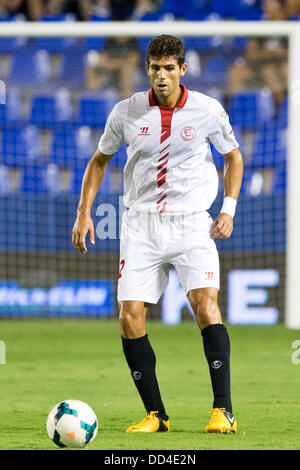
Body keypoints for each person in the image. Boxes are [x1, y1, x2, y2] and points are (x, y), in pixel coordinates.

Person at [72, 35, 244, 434]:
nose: (161, 75)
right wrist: (84, 213)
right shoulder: (126, 111)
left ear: (183, 69)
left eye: (169, 68)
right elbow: (99, 161)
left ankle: (224, 411)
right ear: (146, 69)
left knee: (206, 307)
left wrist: (228, 209)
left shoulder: (207, 110)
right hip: (141, 225)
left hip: (191, 222)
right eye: (154, 68)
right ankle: (156, 415)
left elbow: (232, 157)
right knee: (129, 318)